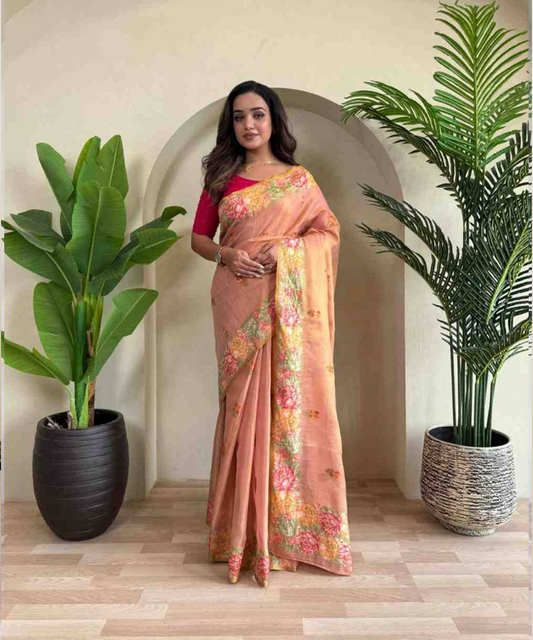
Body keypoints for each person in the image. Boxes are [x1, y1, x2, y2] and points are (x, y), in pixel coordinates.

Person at [191, 80, 352, 587]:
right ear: (231, 124)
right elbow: (198, 238)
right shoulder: (221, 177)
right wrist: (227, 254)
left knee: (285, 407)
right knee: (243, 409)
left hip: (287, 305)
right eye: (239, 117)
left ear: (273, 119)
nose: (249, 125)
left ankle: (286, 530)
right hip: (237, 301)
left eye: (257, 114)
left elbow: (327, 234)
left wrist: (286, 251)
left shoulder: (299, 181)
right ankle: (240, 530)